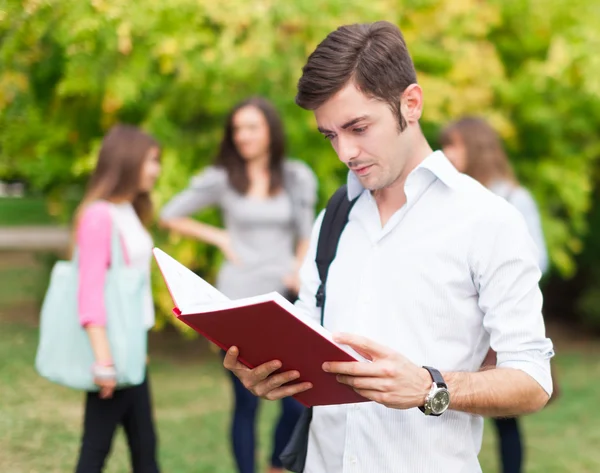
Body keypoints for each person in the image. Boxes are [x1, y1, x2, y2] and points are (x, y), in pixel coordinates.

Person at [223, 21, 554, 473]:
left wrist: (428, 387)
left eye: (358, 127)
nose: (345, 152)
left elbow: (533, 380)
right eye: (330, 135)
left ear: (410, 104)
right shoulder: (334, 218)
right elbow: (305, 331)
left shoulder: (488, 220)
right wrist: (268, 370)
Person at [160, 96, 317, 473]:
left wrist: (298, 267)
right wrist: (219, 237)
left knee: (296, 400)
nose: (243, 136)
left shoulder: (296, 175)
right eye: (237, 129)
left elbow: (305, 232)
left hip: (283, 300)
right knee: (244, 403)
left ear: (270, 131)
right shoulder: (222, 178)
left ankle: (277, 465)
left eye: (252, 127)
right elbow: (170, 214)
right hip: (234, 302)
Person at [440, 116, 549, 473]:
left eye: (453, 145)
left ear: (475, 146)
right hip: (459, 322)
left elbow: (538, 260)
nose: (446, 153)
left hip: (496, 325)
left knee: (505, 416)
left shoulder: (513, 198)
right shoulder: (450, 199)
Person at [74, 124, 162, 473]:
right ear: (127, 161)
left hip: (132, 352)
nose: (156, 169)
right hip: (112, 355)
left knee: (145, 449)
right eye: (151, 160)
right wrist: (104, 362)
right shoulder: (99, 215)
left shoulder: (129, 211)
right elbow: (89, 290)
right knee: (95, 451)